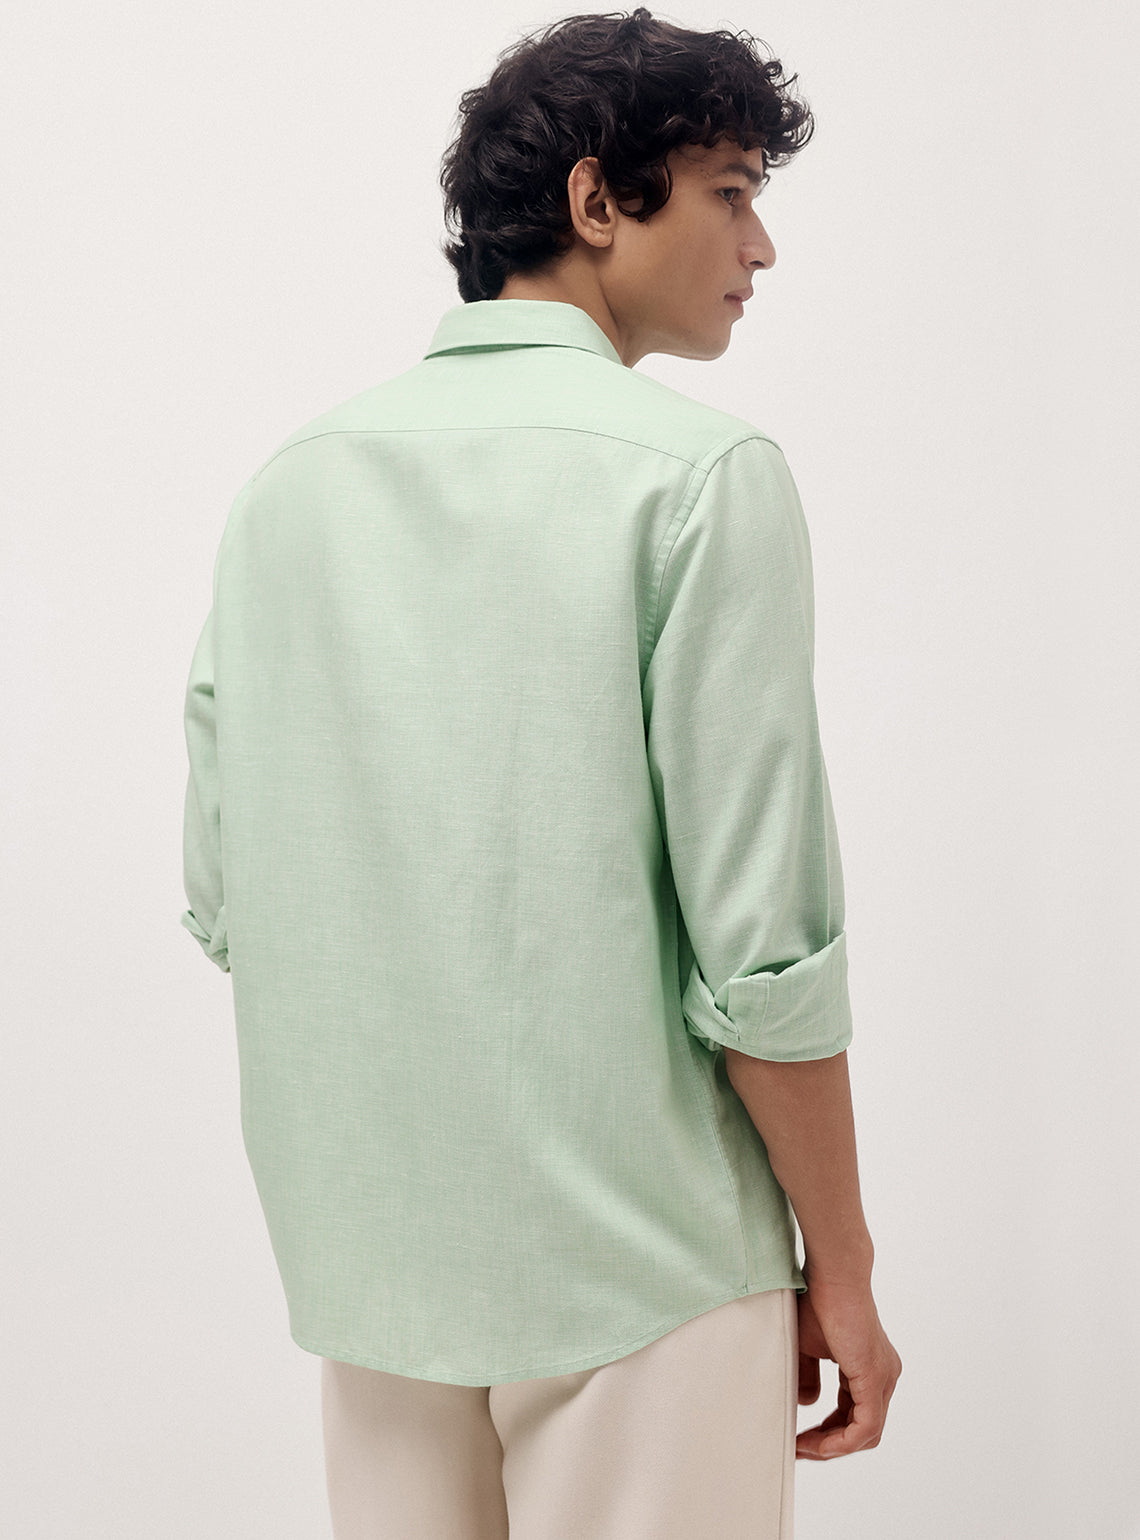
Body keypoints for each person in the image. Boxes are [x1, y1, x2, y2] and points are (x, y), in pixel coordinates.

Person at [179, 8, 901, 1536]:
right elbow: (764, 960)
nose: (760, 246)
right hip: (648, 1275)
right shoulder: (700, 481)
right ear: (596, 200)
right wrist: (840, 1264)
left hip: (373, 1276)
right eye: (730, 191)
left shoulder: (288, 492)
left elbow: (234, 900)